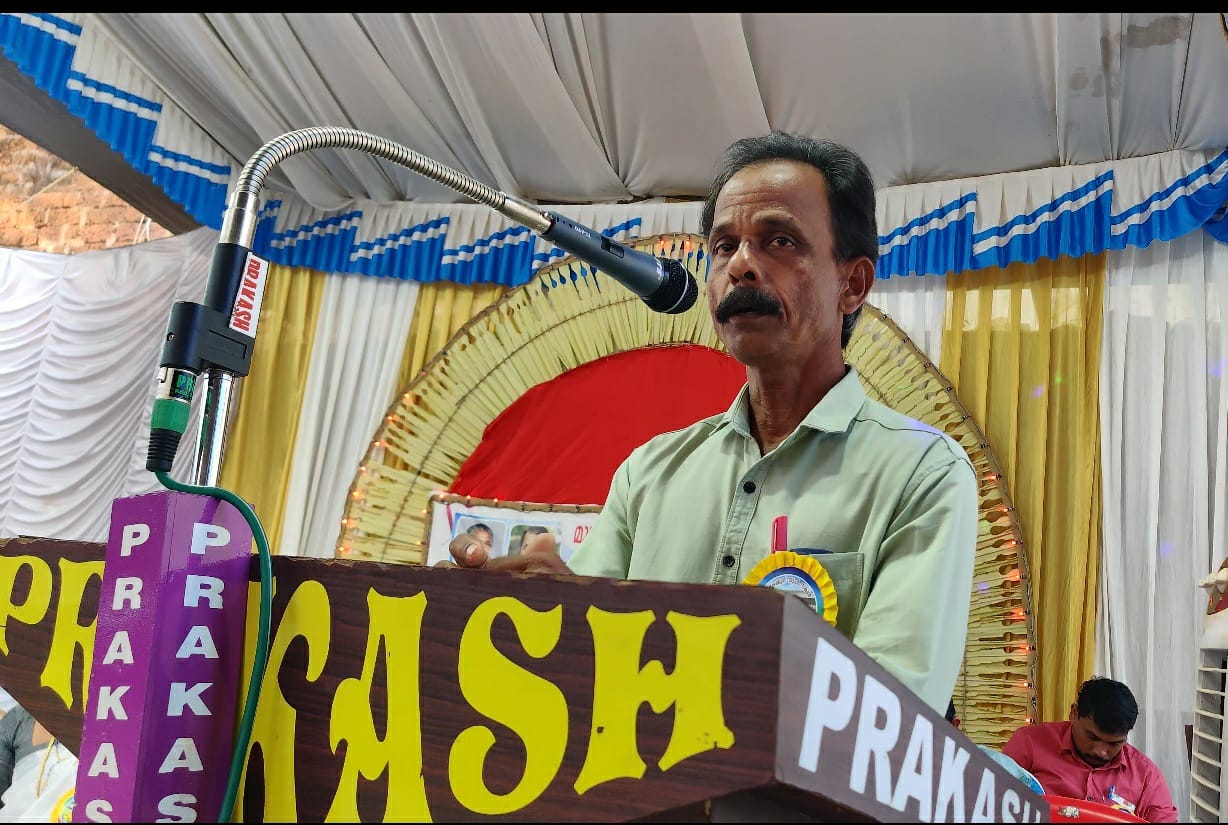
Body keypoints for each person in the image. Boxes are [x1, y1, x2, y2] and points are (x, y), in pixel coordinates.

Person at [448, 130, 978, 713]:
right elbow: (580, 667)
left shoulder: (920, 473)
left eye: (780, 241)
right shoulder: (650, 473)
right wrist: (531, 612)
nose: (741, 265)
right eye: (724, 246)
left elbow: (891, 714)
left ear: (852, 284)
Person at [1002, 677, 1177, 822]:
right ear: (1074, 713)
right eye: (1092, 737)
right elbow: (993, 801)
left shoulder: (1146, 776)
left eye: (1114, 744)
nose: (1100, 751)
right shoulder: (1030, 743)